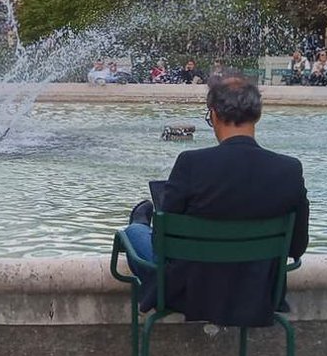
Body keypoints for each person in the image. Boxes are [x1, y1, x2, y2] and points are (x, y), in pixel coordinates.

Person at [121, 75, 309, 323]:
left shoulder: (191, 163)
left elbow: (162, 246)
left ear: (214, 115)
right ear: (257, 115)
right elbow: (297, 247)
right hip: (259, 294)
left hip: (192, 293)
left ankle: (139, 219)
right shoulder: (290, 170)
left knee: (134, 233)